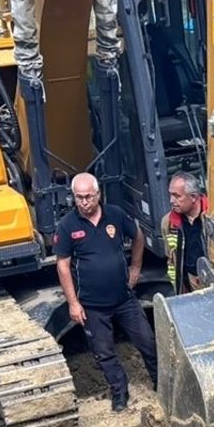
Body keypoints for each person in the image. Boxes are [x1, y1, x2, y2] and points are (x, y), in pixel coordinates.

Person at [54, 173, 158, 412]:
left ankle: (161, 382)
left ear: (98, 194)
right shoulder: (67, 226)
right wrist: (73, 303)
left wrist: (136, 267)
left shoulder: (115, 215)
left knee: (148, 342)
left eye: (88, 196)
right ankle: (119, 393)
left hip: (124, 298)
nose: (83, 202)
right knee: (104, 353)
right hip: (92, 305)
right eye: (78, 197)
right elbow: (63, 265)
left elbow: (138, 236)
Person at [161, 171, 208, 294]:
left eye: (177, 196)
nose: (171, 200)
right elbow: (171, 260)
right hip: (190, 283)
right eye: (170, 195)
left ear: (193, 197)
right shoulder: (168, 222)